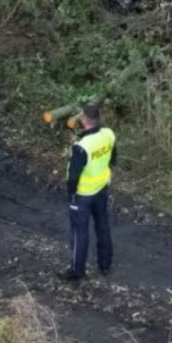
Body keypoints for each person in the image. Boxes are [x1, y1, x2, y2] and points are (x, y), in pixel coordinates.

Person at [63, 104, 116, 281]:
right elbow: (113, 159)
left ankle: (76, 272)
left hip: (83, 194)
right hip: (102, 187)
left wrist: (71, 194)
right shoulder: (108, 134)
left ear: (84, 120)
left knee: (79, 232)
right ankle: (105, 265)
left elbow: (73, 176)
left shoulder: (82, 146)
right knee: (102, 225)